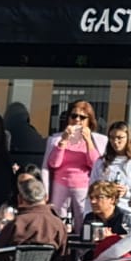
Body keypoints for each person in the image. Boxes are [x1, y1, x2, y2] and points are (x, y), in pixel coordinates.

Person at [43, 100, 107, 235]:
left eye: (82, 117)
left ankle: (80, 254)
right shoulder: (56, 139)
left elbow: (95, 165)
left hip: (83, 185)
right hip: (60, 183)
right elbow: (54, 164)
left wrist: (88, 141)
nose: (77, 120)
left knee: (82, 222)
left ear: (89, 120)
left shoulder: (98, 140)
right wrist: (64, 141)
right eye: (74, 116)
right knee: (57, 220)